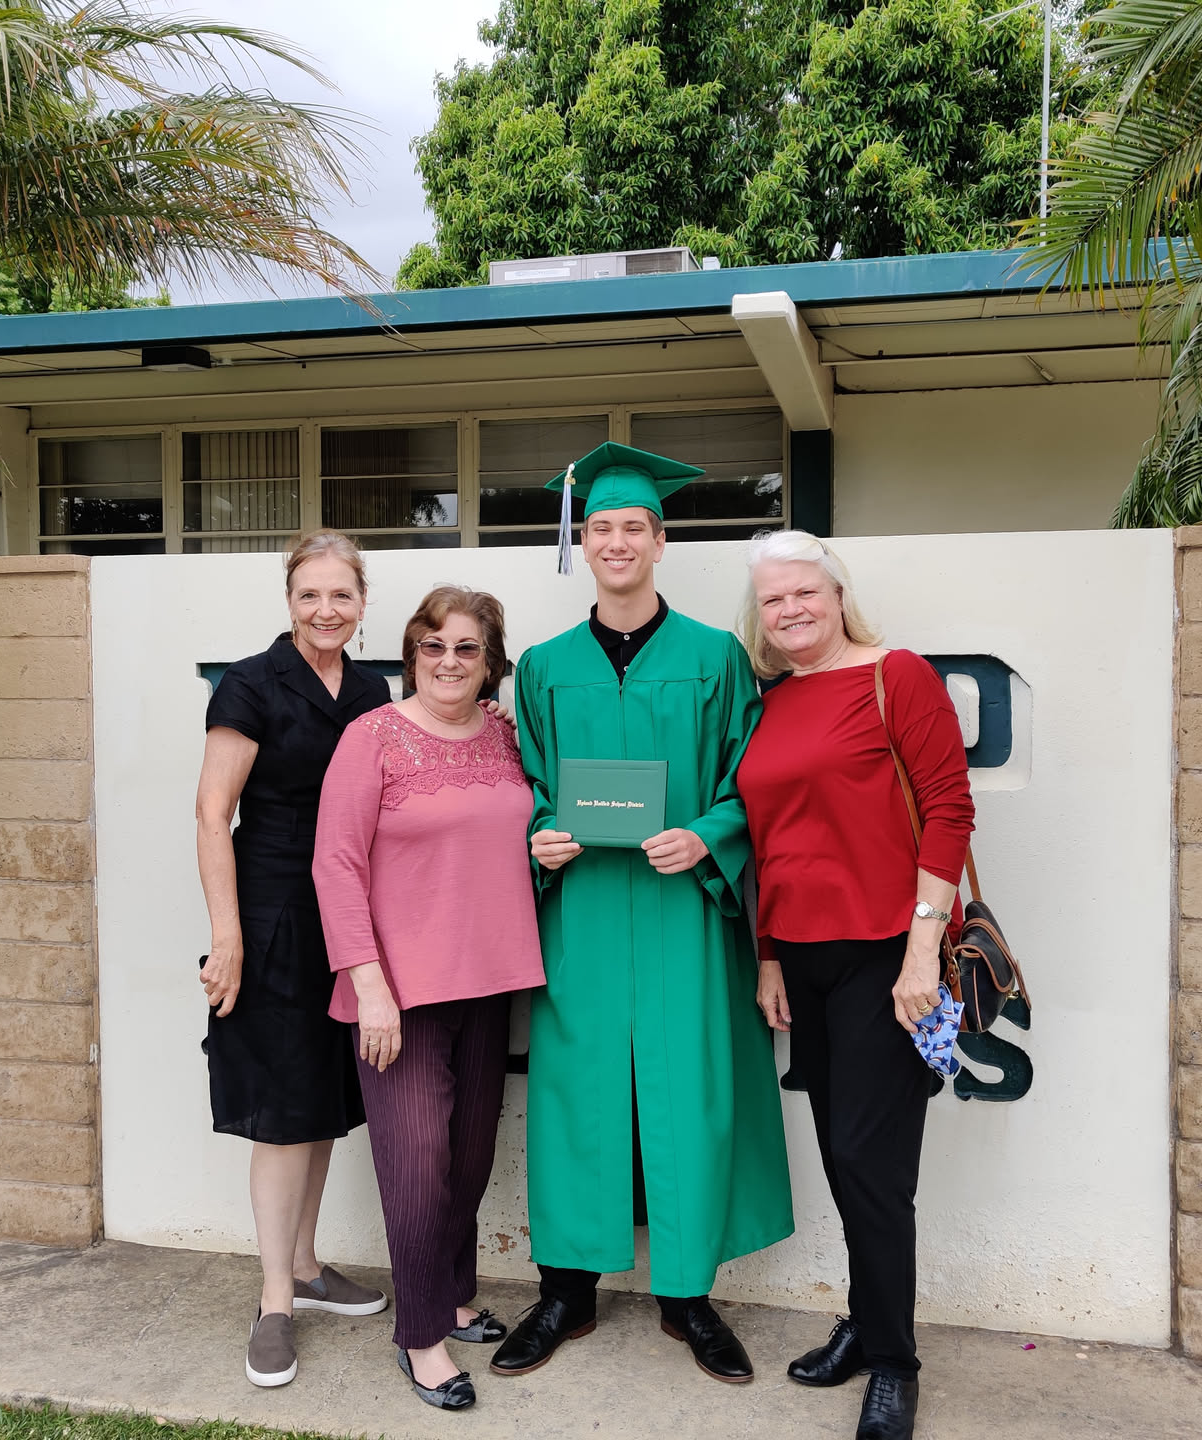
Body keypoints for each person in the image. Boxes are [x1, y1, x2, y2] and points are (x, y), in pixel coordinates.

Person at [493, 442, 793, 1386]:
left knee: (686, 1092)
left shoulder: (716, 659)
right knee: (574, 1096)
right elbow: (524, 784)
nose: (617, 542)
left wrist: (706, 836)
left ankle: (688, 1297)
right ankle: (565, 1293)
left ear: (662, 543)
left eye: (634, 528)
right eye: (601, 528)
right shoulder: (544, 667)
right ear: (582, 544)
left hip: (683, 916)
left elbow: (752, 781)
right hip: (581, 913)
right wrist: (540, 834)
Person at [733, 529, 975, 1440]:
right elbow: (772, 842)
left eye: (805, 592)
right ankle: (866, 1323)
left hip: (886, 954)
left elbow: (948, 809)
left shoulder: (895, 675)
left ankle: (894, 1365)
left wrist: (921, 952)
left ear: (837, 596)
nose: (790, 609)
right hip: (803, 956)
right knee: (843, 1156)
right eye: (773, 600)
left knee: (874, 1169)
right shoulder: (771, 702)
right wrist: (768, 954)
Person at [312, 586, 546, 1412]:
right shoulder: (370, 737)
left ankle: (450, 1295)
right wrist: (368, 985)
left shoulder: (507, 738)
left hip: (490, 980)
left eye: (467, 648)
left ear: (491, 662)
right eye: (434, 646)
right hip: (398, 995)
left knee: (468, 1159)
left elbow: (521, 833)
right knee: (416, 1167)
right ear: (413, 654)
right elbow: (335, 864)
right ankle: (420, 1337)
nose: (449, 661)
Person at [195, 530, 392, 1391]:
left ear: (362, 602)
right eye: (310, 594)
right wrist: (228, 937)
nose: (325, 610)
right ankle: (275, 1300)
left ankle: (308, 1266)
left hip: (348, 918)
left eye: (341, 595)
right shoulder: (250, 684)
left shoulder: (373, 689)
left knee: (317, 1100)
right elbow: (212, 814)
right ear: (289, 601)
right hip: (271, 913)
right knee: (278, 1111)